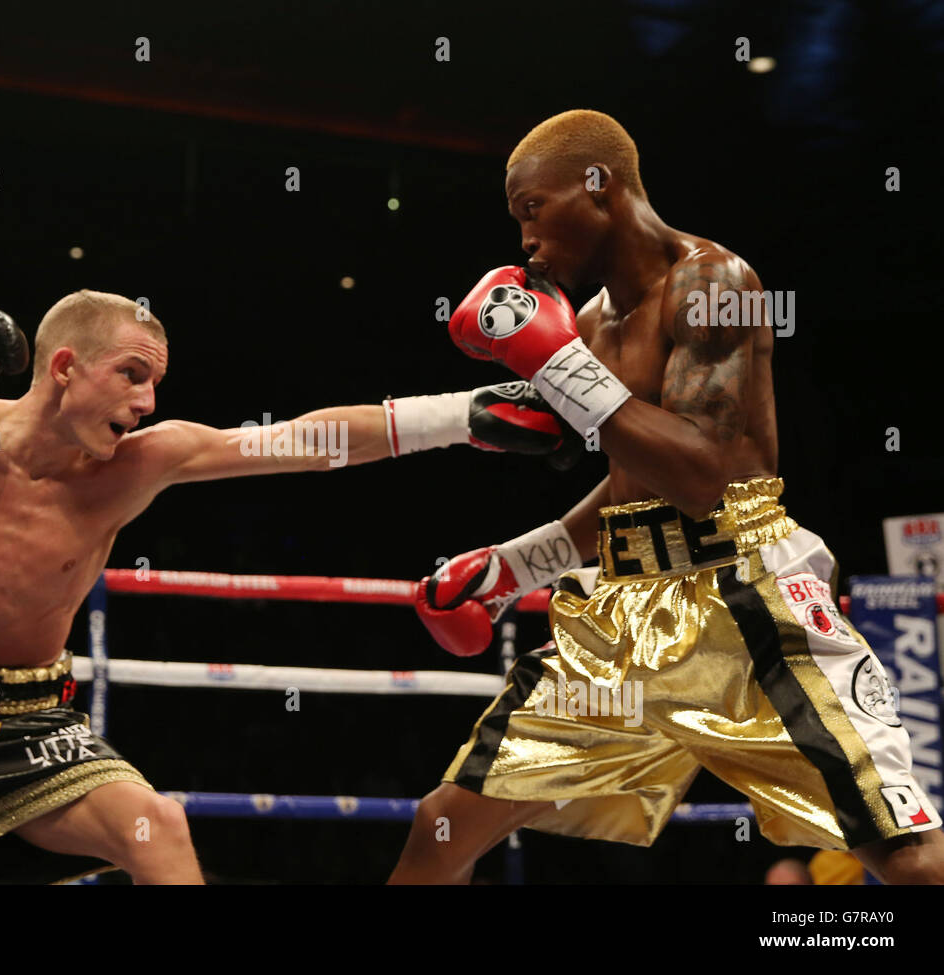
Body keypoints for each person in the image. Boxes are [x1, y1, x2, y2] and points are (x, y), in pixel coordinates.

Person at [0, 290, 567, 885]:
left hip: (26, 724)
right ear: (64, 366)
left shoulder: (142, 463)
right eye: (132, 375)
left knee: (155, 828)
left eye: (155, 385)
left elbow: (304, 440)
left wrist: (463, 417)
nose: (147, 403)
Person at [392, 109, 943, 884]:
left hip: (745, 593)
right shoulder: (587, 322)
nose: (525, 243)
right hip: (623, 608)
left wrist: (558, 365)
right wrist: (516, 565)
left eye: (531, 210)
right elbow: (631, 489)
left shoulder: (722, 282)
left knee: (908, 860)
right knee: (441, 828)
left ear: (598, 185)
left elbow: (704, 477)